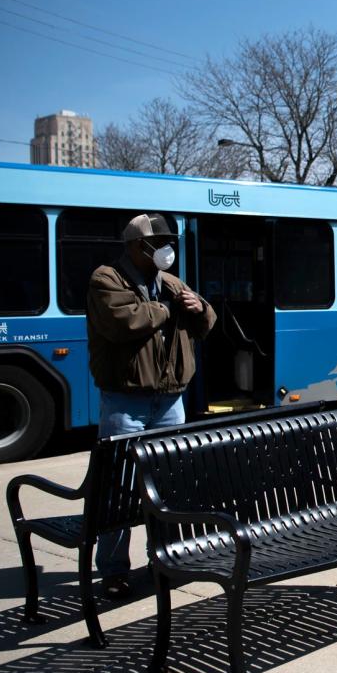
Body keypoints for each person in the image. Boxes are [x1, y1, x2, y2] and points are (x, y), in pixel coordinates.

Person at [86, 213, 216, 597]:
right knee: (118, 488)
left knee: (165, 486)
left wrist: (198, 308)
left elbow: (206, 322)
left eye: (167, 241)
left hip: (170, 399)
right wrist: (170, 309)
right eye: (155, 242)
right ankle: (112, 570)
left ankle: (162, 559)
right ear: (134, 247)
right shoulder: (106, 278)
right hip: (126, 402)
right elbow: (123, 321)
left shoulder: (172, 282)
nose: (165, 248)